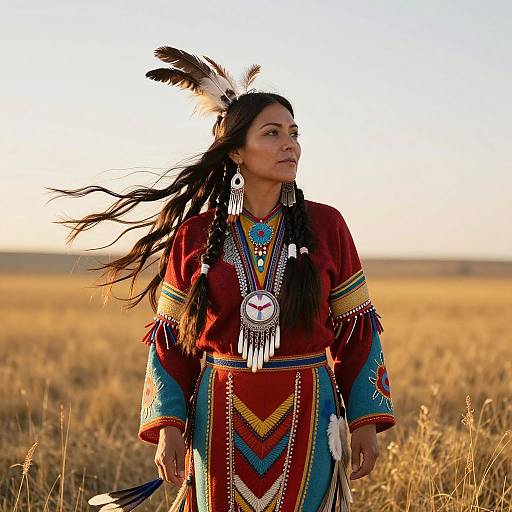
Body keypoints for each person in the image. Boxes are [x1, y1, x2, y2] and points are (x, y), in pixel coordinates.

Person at [49, 47, 396, 511]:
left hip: (310, 414)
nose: (290, 144)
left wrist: (364, 421)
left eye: (294, 133)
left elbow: (356, 328)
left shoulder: (327, 225)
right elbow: (170, 339)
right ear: (236, 150)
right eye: (272, 134)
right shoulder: (195, 236)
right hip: (219, 416)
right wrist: (168, 424)